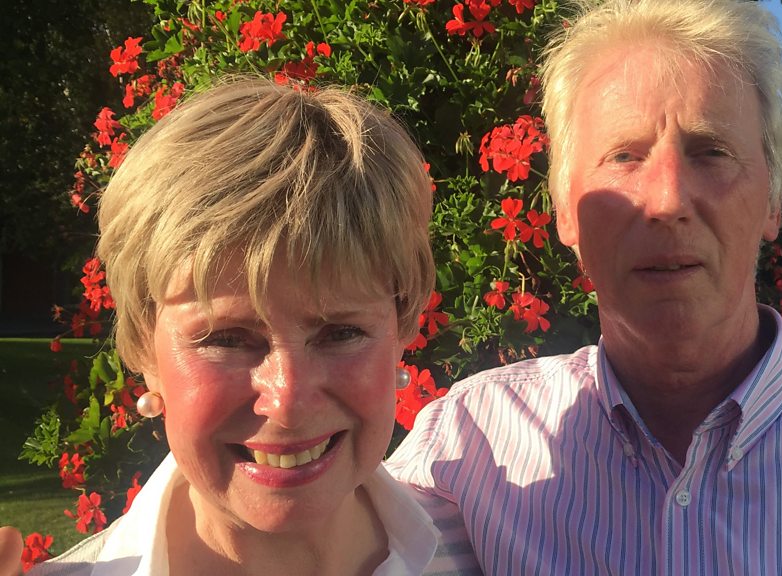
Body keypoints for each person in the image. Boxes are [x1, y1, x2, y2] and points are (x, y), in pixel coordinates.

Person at [385, 0, 782, 573]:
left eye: (711, 151)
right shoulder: (467, 451)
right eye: (624, 155)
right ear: (564, 211)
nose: (668, 201)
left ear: (773, 200)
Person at [3, 79, 479, 575]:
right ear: (144, 345)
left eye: (341, 333)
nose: (288, 402)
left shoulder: (486, 547)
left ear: (402, 328)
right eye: (226, 339)